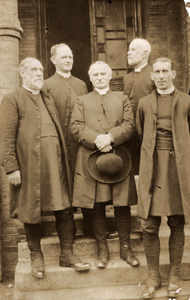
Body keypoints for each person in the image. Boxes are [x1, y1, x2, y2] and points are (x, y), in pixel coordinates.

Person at [0, 57, 90, 279]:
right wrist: (11, 167)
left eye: (41, 70)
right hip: (29, 165)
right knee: (30, 210)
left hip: (55, 163)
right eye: (33, 70)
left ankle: (67, 254)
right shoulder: (12, 99)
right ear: (22, 73)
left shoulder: (47, 98)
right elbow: (6, 136)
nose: (39, 73)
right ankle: (36, 257)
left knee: (64, 207)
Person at [71, 61, 139, 269]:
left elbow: (129, 125)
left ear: (109, 77)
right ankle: (102, 249)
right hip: (90, 158)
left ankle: (126, 248)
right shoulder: (81, 101)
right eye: (96, 74)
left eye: (103, 74)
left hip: (119, 157)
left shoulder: (122, 98)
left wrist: (110, 137)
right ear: (90, 78)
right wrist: (97, 139)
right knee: (98, 204)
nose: (100, 77)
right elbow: (75, 127)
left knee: (122, 204)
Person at [136, 57, 190, 299]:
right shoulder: (144, 103)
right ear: (152, 76)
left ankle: (175, 276)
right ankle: (153, 277)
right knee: (149, 225)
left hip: (178, 169)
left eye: (165, 71)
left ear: (174, 74)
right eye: (156, 71)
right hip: (153, 168)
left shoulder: (187, 101)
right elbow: (140, 132)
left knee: (177, 221)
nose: (160, 75)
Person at [43, 43, 93, 237]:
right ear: (53, 60)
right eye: (63, 57)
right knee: (62, 184)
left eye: (70, 56)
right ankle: (67, 231)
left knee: (84, 183)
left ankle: (90, 228)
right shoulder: (47, 85)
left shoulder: (81, 84)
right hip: (59, 144)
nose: (68, 60)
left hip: (80, 144)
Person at [123, 38, 155, 175]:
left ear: (145, 53)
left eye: (133, 50)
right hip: (131, 131)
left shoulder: (154, 74)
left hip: (148, 129)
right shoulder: (127, 78)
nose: (128, 53)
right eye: (128, 49)